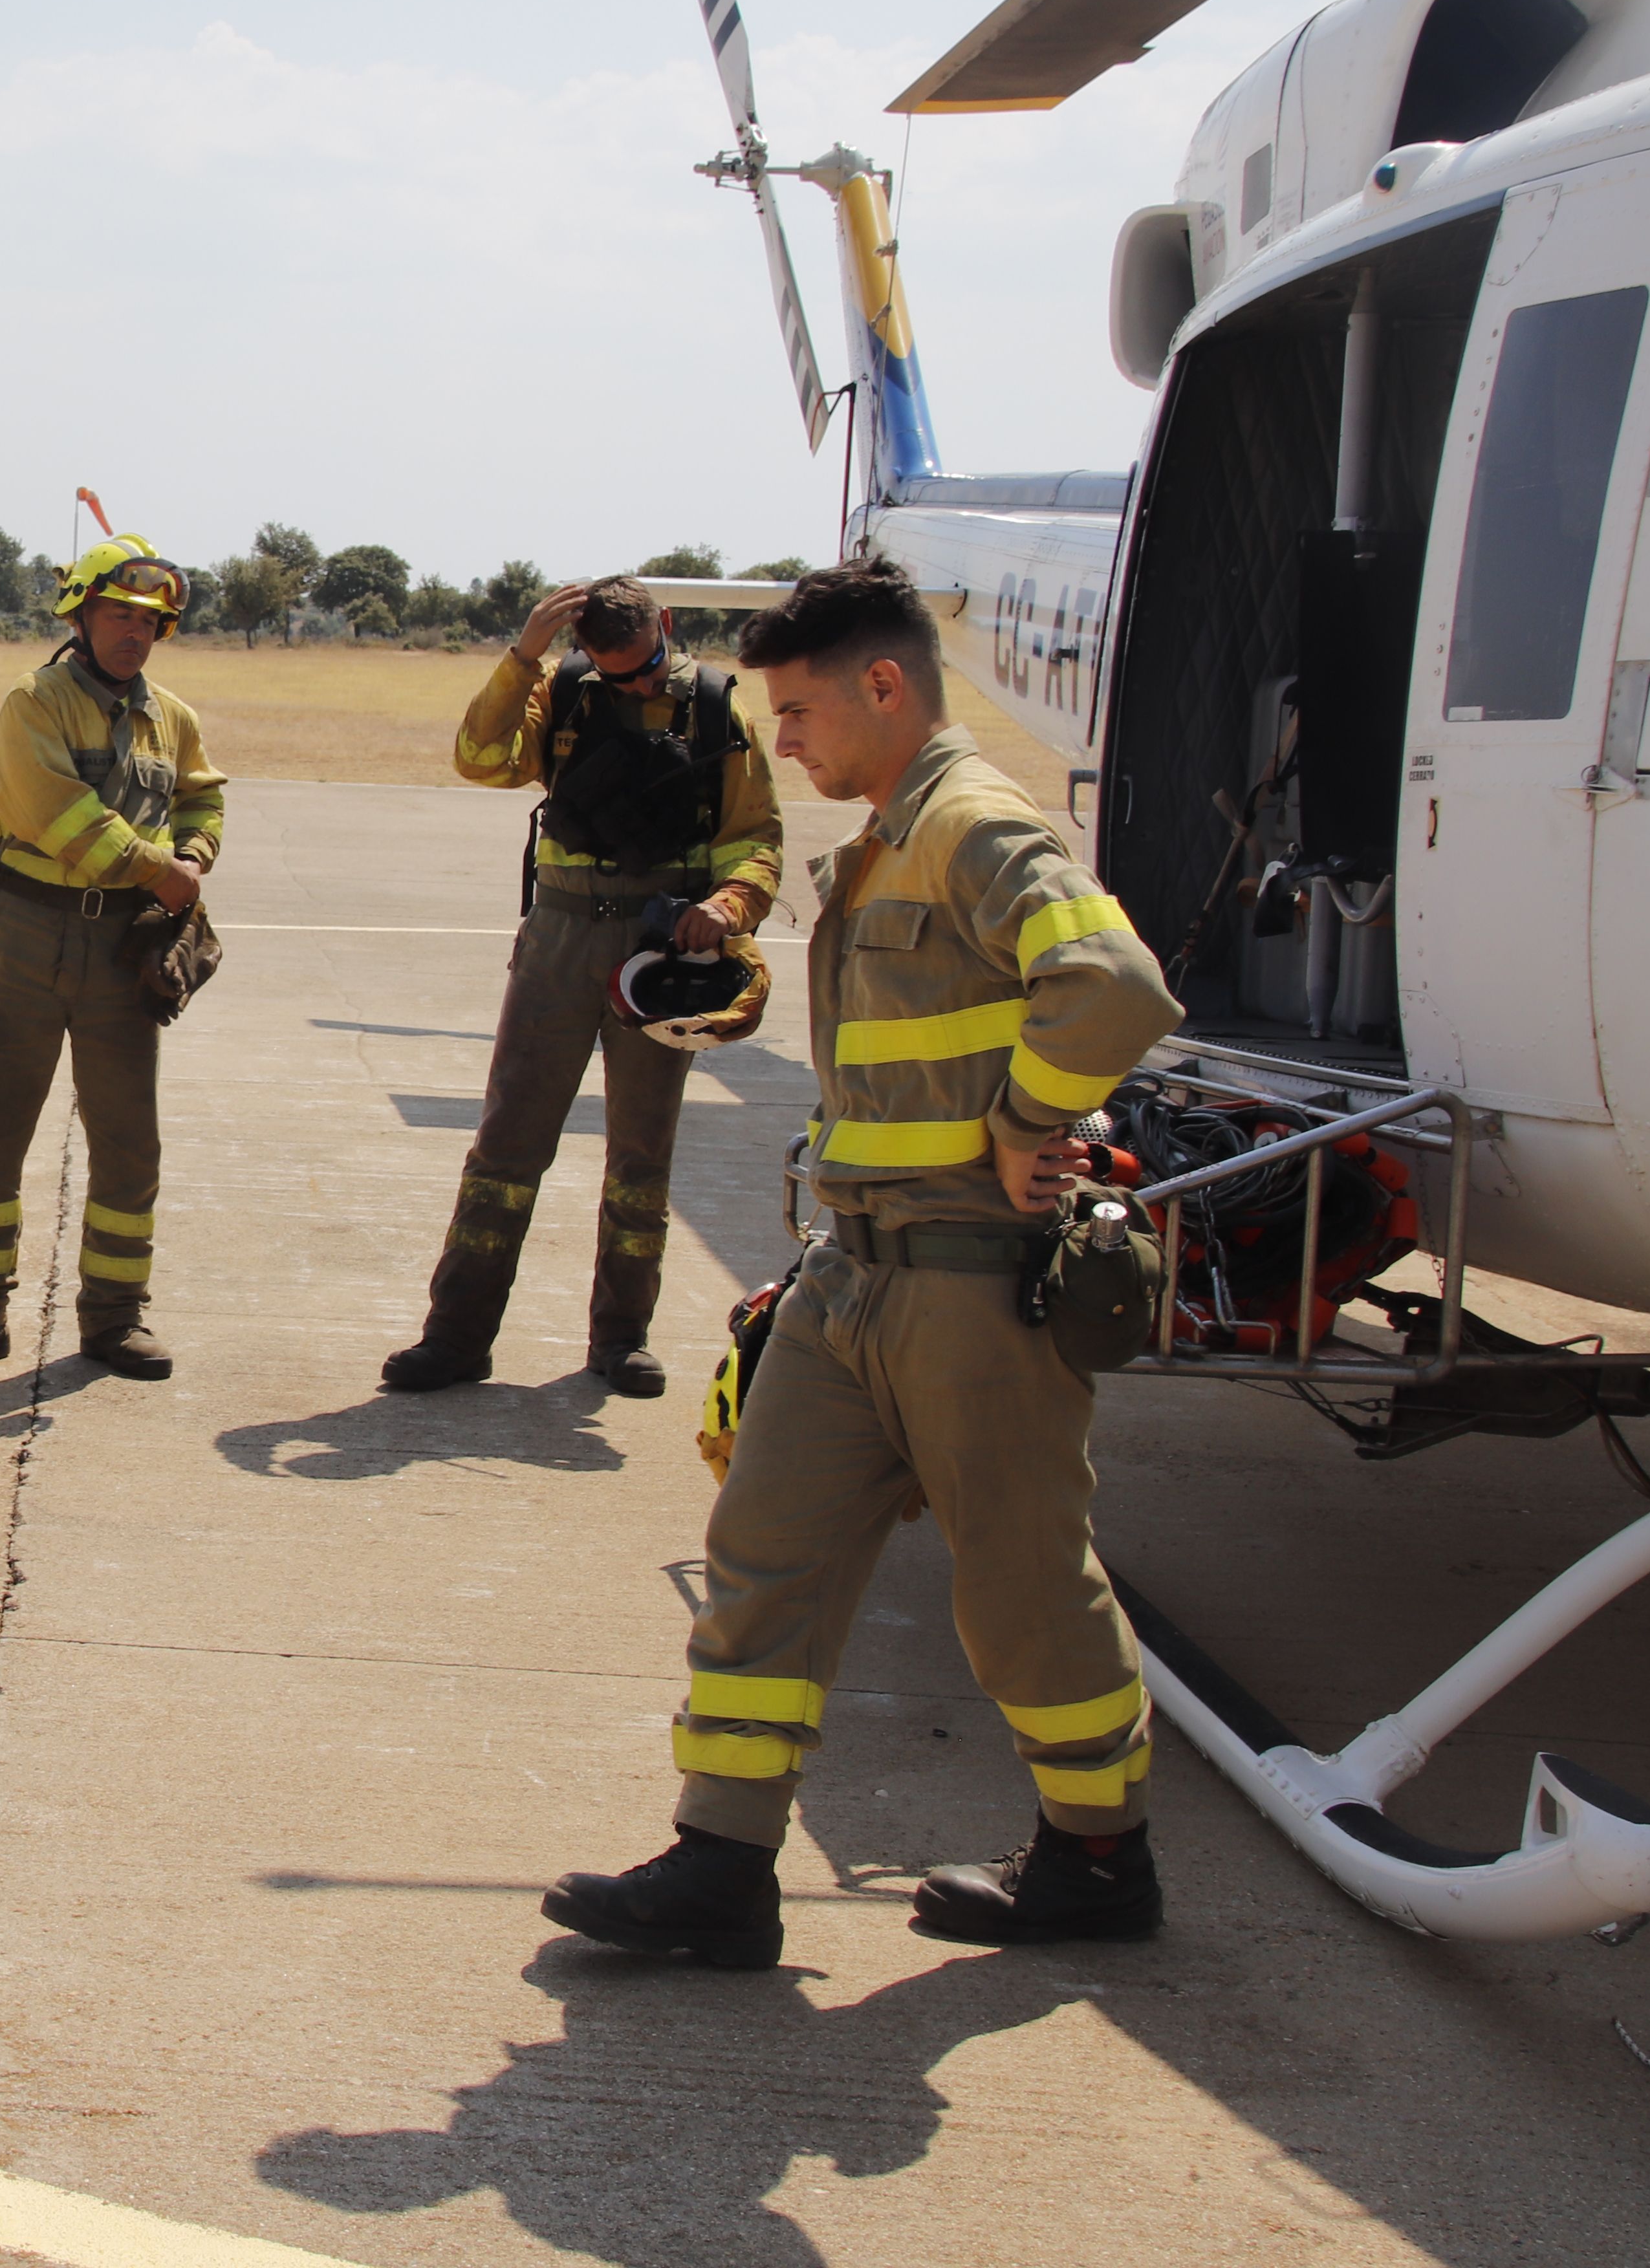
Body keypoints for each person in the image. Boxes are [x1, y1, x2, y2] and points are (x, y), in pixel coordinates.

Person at [541, 559, 1184, 1967]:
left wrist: (1027, 1122)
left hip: (972, 1280)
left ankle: (1097, 1858)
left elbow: (1115, 984)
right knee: (764, 1547)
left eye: (798, 708)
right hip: (853, 1270)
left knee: (1019, 1585)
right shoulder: (893, 837)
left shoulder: (970, 820)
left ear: (884, 686)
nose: (781, 738)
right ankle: (720, 1861)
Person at [382, 574, 783, 1398]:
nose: (632, 684)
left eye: (643, 668)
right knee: (505, 1147)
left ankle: (621, 1338)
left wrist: (726, 903)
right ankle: (456, 1336)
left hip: (659, 950)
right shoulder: (561, 693)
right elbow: (480, 757)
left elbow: (757, 836)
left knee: (642, 1154)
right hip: (560, 940)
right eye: (613, 672)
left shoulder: (715, 710)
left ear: (667, 626)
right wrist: (524, 657)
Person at [0, 540, 225, 1381]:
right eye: (119, 614)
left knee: (128, 1142)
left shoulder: (173, 719)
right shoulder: (35, 702)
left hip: (125, 948)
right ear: (80, 617)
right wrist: (164, 869)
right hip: (25, 932)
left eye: (151, 621)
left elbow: (203, 792)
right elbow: (59, 812)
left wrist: (194, 851)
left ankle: (115, 1320)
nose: (135, 633)